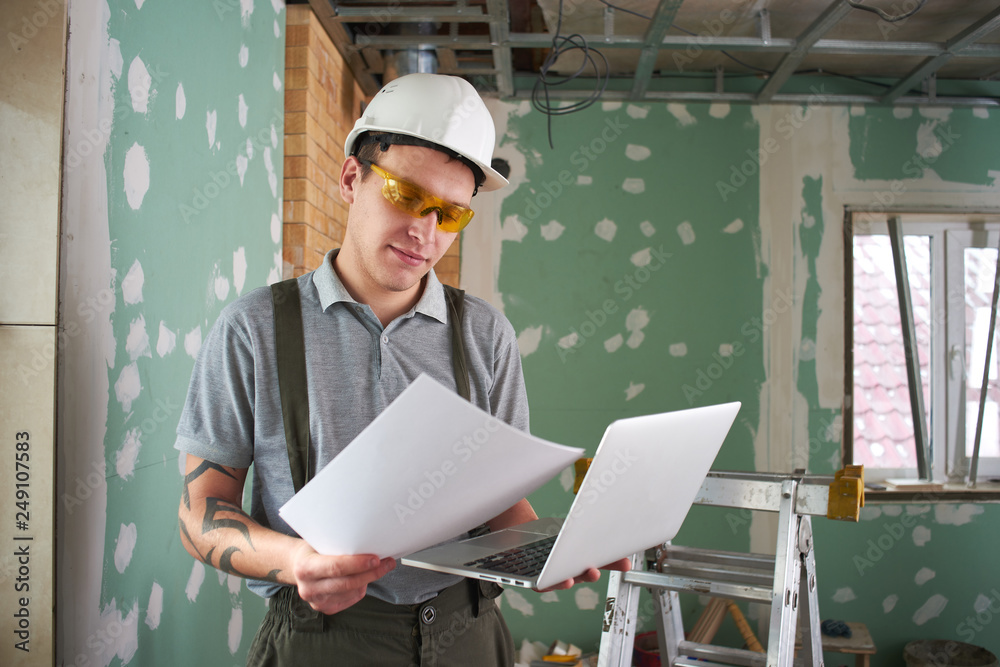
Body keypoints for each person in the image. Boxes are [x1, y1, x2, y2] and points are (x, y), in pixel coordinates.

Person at [175, 73, 627, 666]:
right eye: (404, 195)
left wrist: (545, 551)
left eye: (448, 214)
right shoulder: (255, 328)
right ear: (350, 178)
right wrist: (296, 562)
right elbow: (200, 512)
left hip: (468, 632)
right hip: (320, 639)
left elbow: (500, 504)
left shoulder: (486, 336)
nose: (424, 231)